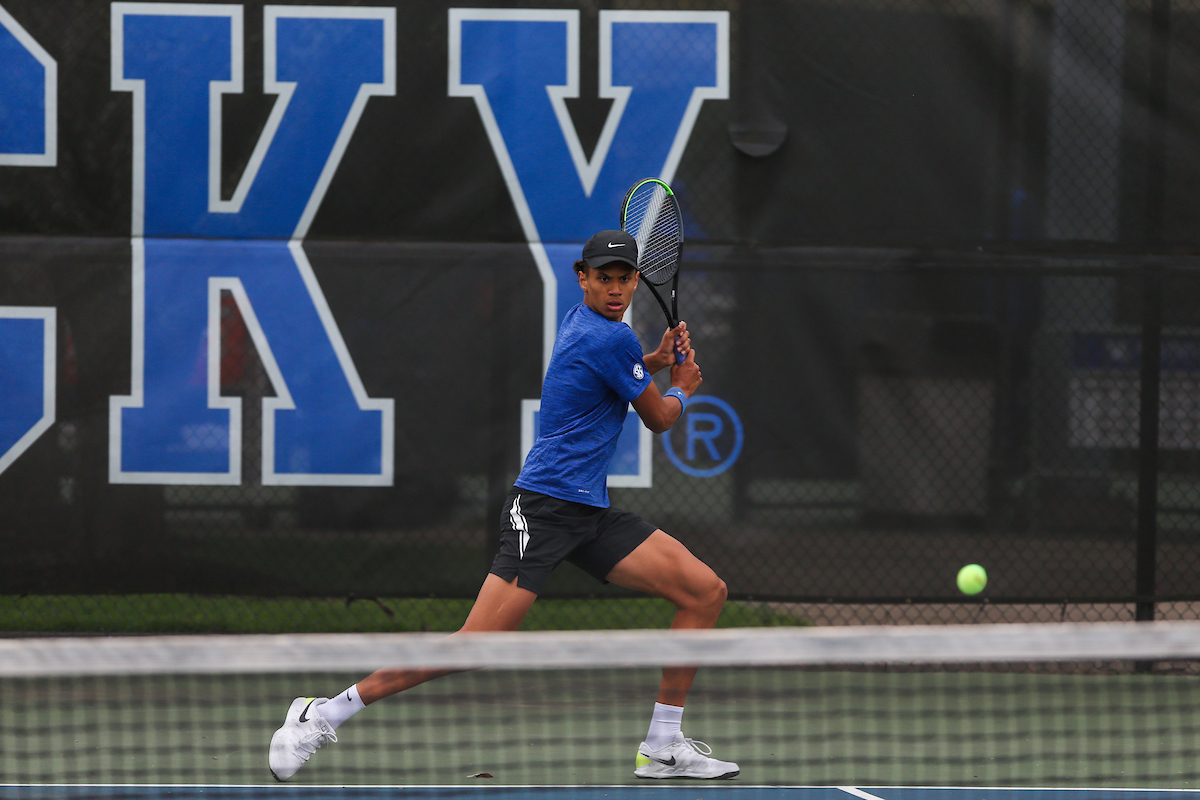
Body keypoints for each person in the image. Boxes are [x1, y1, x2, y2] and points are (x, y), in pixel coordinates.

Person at [268, 229, 738, 782]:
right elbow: (659, 417)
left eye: (624, 278)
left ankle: (663, 746)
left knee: (704, 591)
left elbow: (613, 380)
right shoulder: (610, 339)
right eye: (603, 278)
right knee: (476, 645)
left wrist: (654, 361)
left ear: (637, 279)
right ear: (582, 278)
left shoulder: (601, 331)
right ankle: (318, 715)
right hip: (541, 510)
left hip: (588, 511)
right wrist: (682, 384)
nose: (615, 289)